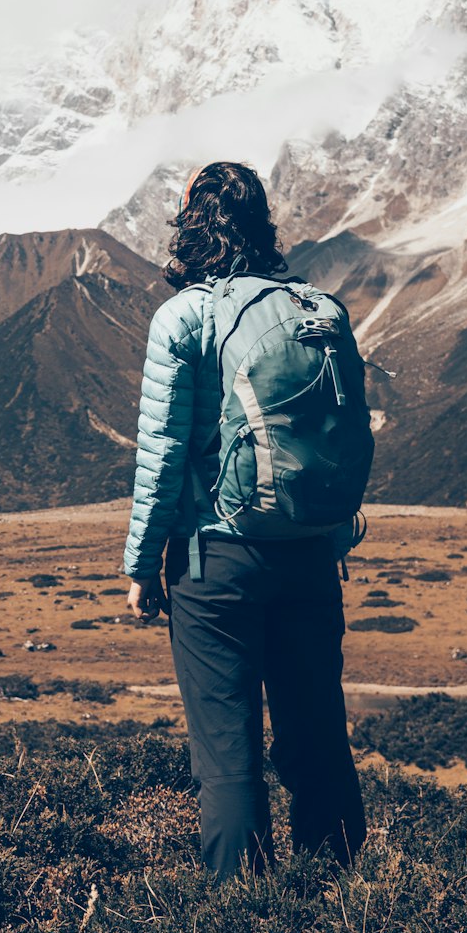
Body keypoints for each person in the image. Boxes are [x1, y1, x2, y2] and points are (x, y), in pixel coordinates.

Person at [123, 160, 366, 881]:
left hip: (215, 562)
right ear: (264, 224)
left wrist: (141, 565)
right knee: (319, 741)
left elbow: (162, 453)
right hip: (312, 553)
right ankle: (347, 918)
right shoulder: (319, 308)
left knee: (228, 761)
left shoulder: (186, 316)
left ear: (190, 224)